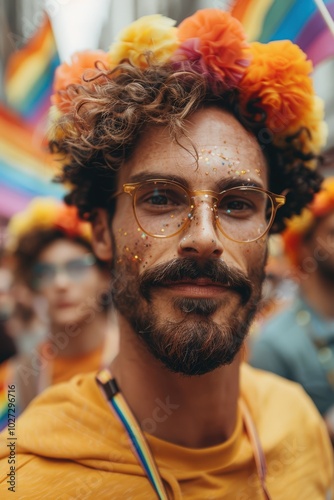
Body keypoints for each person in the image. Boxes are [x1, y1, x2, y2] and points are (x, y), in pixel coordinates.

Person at [0, 8, 333, 498]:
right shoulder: (26, 479)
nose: (203, 236)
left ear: (270, 230)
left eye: (238, 203)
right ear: (100, 232)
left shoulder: (298, 422)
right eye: (159, 198)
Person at [0, 198, 118, 428]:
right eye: (45, 272)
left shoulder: (137, 362)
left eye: (76, 267)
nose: (60, 283)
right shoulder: (18, 377)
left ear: (105, 277)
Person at [249, 176, 334, 443]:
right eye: (333, 234)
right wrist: (325, 430)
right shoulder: (274, 343)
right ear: (304, 246)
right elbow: (268, 446)